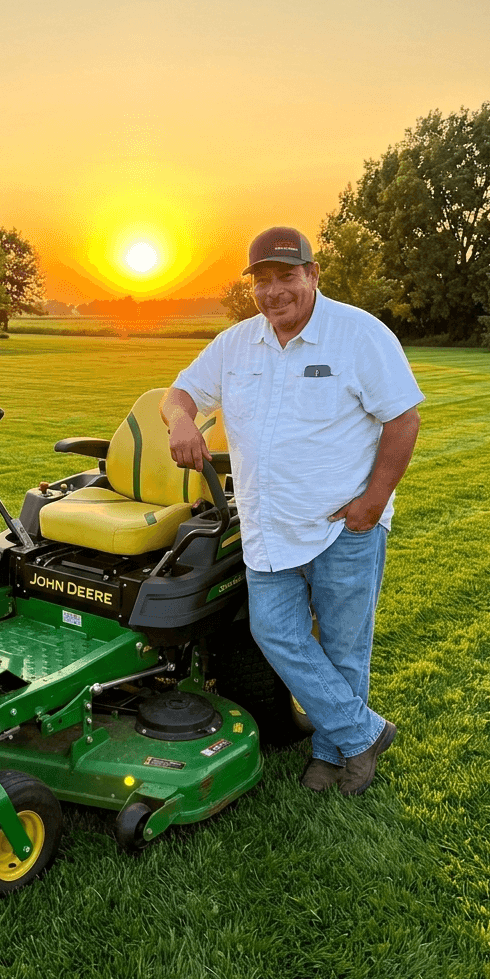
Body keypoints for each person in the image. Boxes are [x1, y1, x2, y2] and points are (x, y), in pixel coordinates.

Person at [160, 226, 424, 796]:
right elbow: (179, 393)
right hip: (266, 528)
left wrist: (374, 501)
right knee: (273, 631)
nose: (274, 291)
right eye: (263, 281)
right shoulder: (236, 345)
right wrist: (182, 420)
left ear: (313, 275)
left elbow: (403, 419)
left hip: (343, 526)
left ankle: (336, 760)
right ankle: (363, 733)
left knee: (343, 647)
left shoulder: (358, 335)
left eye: (287, 276)